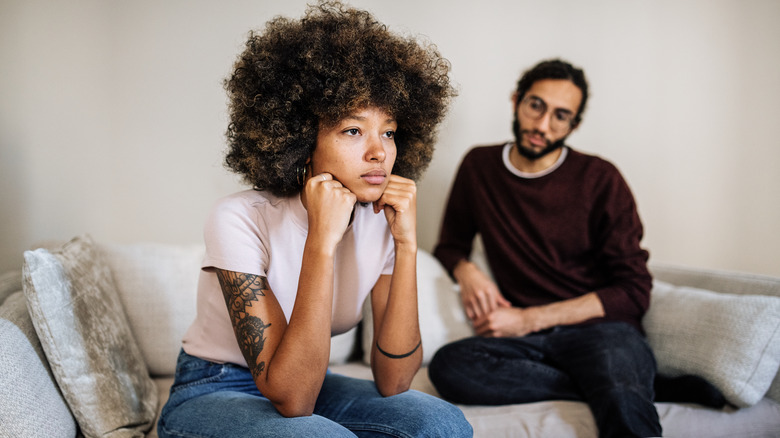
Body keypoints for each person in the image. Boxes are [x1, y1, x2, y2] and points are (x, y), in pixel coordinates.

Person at [156, 2, 471, 437]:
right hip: (214, 386)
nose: (379, 151)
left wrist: (407, 244)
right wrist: (322, 241)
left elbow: (395, 381)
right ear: (303, 140)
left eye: (389, 131)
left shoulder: (380, 220)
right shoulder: (238, 218)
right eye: (353, 130)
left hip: (308, 376)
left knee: (440, 423)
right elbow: (294, 398)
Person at [428, 59, 723, 438]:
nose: (542, 125)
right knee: (450, 367)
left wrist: (526, 319)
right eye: (536, 105)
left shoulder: (601, 179)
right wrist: (467, 271)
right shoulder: (479, 166)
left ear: (574, 125)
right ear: (517, 100)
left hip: (601, 333)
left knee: (619, 395)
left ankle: (622, 382)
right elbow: (450, 245)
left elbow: (633, 291)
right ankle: (642, 385)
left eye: (561, 116)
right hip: (529, 346)